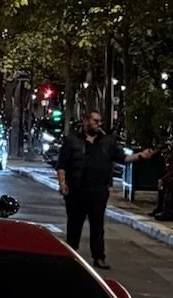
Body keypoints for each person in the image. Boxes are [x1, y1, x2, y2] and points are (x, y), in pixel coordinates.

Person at [56, 110, 154, 266]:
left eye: (99, 121)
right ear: (86, 121)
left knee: (97, 225)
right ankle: (71, 253)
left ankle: (98, 256)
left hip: (99, 190)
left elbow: (123, 158)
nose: (98, 124)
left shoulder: (107, 142)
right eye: (95, 121)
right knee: (74, 224)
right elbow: (62, 165)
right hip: (77, 190)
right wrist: (62, 183)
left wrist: (140, 156)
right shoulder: (72, 141)